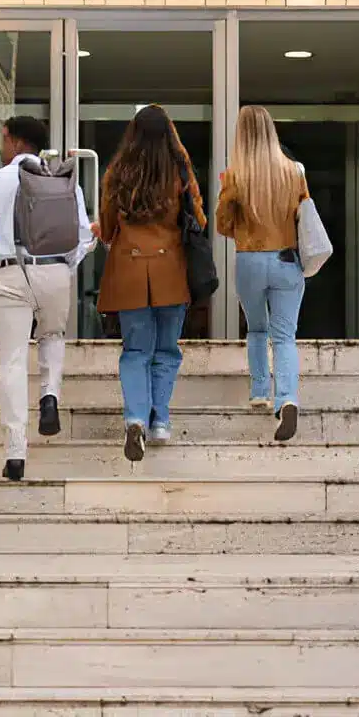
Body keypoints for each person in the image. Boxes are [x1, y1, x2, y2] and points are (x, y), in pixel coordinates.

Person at [0, 115, 95, 481]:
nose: (2, 146)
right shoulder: (65, 182)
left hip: (11, 275)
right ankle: (49, 395)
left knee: (12, 360)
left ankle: (16, 451)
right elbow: (83, 237)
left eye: (4, 139)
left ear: (17, 143)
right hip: (54, 272)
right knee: (52, 336)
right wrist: (63, 266)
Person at [96, 105, 206, 462]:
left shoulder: (117, 172)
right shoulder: (179, 172)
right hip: (171, 270)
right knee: (166, 350)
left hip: (128, 272)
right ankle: (160, 420)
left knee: (135, 351)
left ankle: (135, 419)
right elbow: (200, 220)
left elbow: (108, 228)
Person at [216, 105, 309, 442]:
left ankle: (259, 389)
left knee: (257, 327)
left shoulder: (237, 176)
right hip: (287, 260)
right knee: (285, 336)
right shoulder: (294, 172)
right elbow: (304, 215)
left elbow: (223, 225)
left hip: (250, 259)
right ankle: (287, 399)